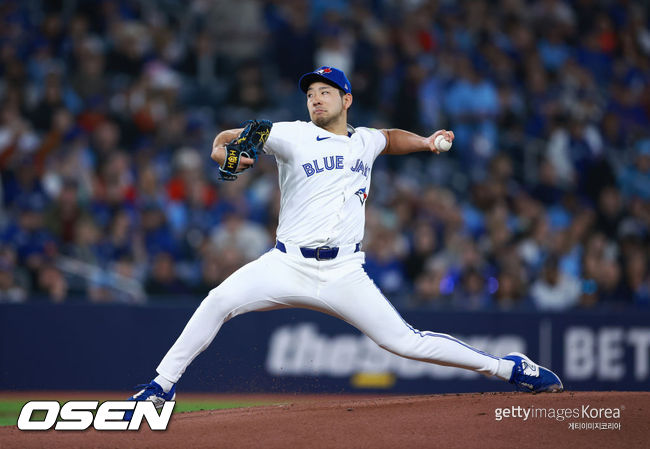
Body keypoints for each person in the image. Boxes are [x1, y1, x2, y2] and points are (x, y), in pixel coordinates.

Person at [125, 66, 562, 415]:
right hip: (285, 264)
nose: (315, 97)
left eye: (326, 91)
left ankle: (508, 368)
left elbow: (390, 139)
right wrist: (227, 152)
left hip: (343, 272)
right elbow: (226, 140)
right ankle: (160, 386)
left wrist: (427, 142)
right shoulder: (291, 133)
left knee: (404, 342)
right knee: (218, 300)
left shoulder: (365, 141)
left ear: (346, 100)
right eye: (311, 92)